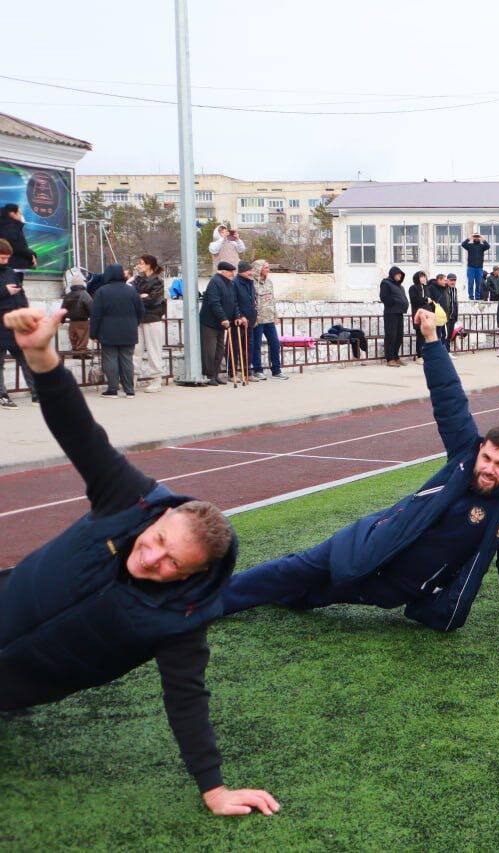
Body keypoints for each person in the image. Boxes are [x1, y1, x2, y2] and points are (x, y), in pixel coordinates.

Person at [0, 306, 278, 817]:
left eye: (172, 564)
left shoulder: (184, 618)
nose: (150, 558)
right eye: (156, 541)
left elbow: (187, 700)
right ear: (157, 519)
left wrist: (214, 790)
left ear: (193, 577)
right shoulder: (135, 500)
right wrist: (41, 357)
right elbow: (80, 432)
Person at [221, 308, 499, 649]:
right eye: (486, 458)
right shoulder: (466, 454)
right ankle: (212, 601)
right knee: (294, 569)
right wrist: (431, 339)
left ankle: (280, 596)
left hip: (398, 583)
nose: (488, 468)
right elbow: (449, 400)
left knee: (312, 596)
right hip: (372, 541)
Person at [89, 264, 144, 399]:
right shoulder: (131, 291)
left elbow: (96, 315)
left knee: (110, 359)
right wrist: (133, 324)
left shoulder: (102, 291)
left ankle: (113, 389)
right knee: (127, 359)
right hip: (129, 331)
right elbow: (141, 311)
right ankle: (129, 390)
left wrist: (93, 333)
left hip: (108, 331)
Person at [0, 239, 36, 408]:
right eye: (2, 258)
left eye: (7, 258)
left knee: (26, 359)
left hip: (15, 325)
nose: (5, 261)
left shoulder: (10, 272)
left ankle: (36, 392)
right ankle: (2, 395)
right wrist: (4, 291)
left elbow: (21, 295)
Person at [130, 254, 167, 393]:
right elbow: (132, 295)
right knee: (135, 350)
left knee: (154, 350)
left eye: (141, 263)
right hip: (139, 318)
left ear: (149, 264)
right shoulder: (137, 280)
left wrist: (142, 297)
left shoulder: (157, 281)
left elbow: (154, 300)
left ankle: (156, 379)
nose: (139, 265)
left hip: (153, 318)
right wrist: (142, 296)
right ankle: (132, 378)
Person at [198, 262, 237, 385]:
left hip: (222, 324)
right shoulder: (215, 282)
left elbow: (234, 302)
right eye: (230, 271)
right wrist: (223, 318)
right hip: (210, 323)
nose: (232, 274)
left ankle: (215, 374)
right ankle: (209, 375)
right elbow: (214, 302)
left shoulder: (229, 283)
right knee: (210, 350)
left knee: (220, 350)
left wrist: (236, 316)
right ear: (222, 271)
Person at [250, 259, 287, 380]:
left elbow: (272, 300)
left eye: (268, 267)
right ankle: (257, 370)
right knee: (257, 345)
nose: (268, 269)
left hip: (269, 318)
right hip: (258, 319)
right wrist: (253, 317)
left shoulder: (269, 282)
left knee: (275, 343)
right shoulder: (252, 283)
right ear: (259, 269)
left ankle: (276, 370)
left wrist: (275, 315)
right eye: (265, 267)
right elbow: (251, 301)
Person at [229, 262, 257, 379]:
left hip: (250, 320)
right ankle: (233, 372)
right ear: (241, 271)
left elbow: (252, 300)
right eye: (248, 271)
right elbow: (234, 301)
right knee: (235, 347)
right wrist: (240, 316)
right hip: (239, 320)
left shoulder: (250, 282)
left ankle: (247, 372)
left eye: (251, 270)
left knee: (248, 347)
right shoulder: (235, 283)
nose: (250, 273)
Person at [378, 265, 408, 367]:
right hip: (391, 313)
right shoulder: (386, 283)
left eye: (401, 274)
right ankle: (390, 359)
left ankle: (396, 357)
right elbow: (384, 297)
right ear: (393, 274)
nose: (400, 276)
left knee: (399, 336)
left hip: (399, 313)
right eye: (398, 274)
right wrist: (395, 302)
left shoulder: (400, 286)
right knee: (391, 336)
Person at [62, 268, 93, 357]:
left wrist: (62, 319)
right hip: (83, 320)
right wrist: (93, 317)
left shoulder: (68, 295)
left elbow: (63, 308)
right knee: (83, 337)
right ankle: (82, 353)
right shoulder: (85, 294)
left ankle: (75, 351)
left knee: (73, 337)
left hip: (72, 321)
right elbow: (91, 306)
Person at [0, 203, 36, 269]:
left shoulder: (8, 226)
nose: (21, 215)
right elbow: (19, 248)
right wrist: (32, 255)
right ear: (12, 214)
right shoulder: (10, 228)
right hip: (13, 266)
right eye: (20, 213)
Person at [408, 271, 431, 359]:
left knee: (427, 335)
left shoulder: (426, 288)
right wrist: (425, 300)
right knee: (420, 335)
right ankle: (420, 355)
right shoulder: (413, 288)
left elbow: (430, 300)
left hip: (427, 314)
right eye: (421, 277)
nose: (423, 278)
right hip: (418, 314)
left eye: (424, 277)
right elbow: (415, 300)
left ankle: (426, 354)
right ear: (417, 278)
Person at [461, 232, 490, 301]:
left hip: (479, 268)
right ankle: (471, 297)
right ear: (473, 238)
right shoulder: (470, 245)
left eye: (477, 237)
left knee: (478, 283)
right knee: (470, 283)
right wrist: (469, 238)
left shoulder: (482, 246)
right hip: (471, 268)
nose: (476, 238)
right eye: (475, 237)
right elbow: (463, 244)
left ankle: (477, 297)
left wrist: (483, 239)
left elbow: (488, 246)